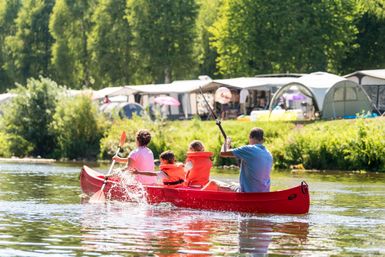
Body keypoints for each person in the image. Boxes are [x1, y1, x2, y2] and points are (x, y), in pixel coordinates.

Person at [220, 127, 273, 192]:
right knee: (233, 183)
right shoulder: (268, 154)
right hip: (264, 192)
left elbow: (223, 153)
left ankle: (204, 199)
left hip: (248, 193)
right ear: (262, 140)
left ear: (250, 137)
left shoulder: (249, 149)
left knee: (213, 183)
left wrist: (227, 142)